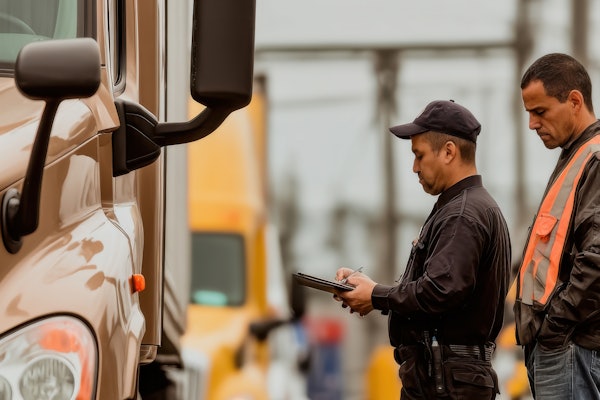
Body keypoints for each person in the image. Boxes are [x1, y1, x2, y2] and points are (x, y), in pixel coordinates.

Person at [335, 99, 512, 399]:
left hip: (448, 384)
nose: (414, 166)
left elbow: (441, 290)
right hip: (449, 378)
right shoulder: (466, 208)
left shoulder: (462, 214)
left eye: (419, 155)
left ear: (448, 152)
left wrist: (376, 295)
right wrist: (370, 291)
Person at [513, 53, 600, 399]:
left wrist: (555, 326)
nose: (532, 124)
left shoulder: (593, 158)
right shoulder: (576, 156)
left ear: (575, 101)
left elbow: (596, 256)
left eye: (541, 111)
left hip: (571, 346)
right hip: (563, 346)